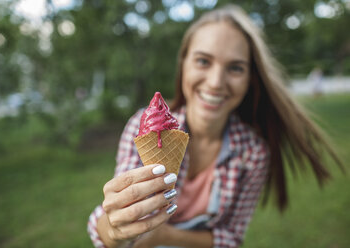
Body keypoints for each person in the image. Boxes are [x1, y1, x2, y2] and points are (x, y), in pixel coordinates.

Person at [87, 4, 343, 248]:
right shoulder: (143, 129)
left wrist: (166, 236)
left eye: (235, 68)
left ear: (249, 80)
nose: (216, 82)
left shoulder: (253, 153)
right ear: (183, 64)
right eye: (203, 61)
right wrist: (114, 229)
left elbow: (231, 238)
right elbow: (114, 226)